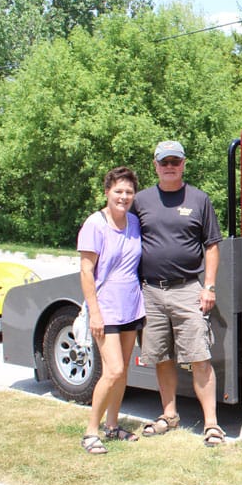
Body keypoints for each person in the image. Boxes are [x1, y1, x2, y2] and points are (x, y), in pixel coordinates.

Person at [132, 140, 225, 447]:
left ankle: (212, 424)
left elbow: (212, 245)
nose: (169, 166)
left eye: (175, 161)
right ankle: (169, 415)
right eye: (164, 162)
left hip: (188, 290)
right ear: (155, 166)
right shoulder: (141, 201)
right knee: (161, 357)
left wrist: (208, 286)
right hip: (151, 292)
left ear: (183, 164)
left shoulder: (199, 199)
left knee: (200, 357)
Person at [77, 166, 146, 454]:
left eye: (129, 191)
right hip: (105, 309)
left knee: (122, 370)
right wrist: (94, 313)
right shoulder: (95, 224)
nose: (124, 196)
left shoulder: (134, 222)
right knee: (113, 370)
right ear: (107, 192)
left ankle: (113, 425)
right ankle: (91, 432)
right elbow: (86, 271)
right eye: (118, 190)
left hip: (131, 306)